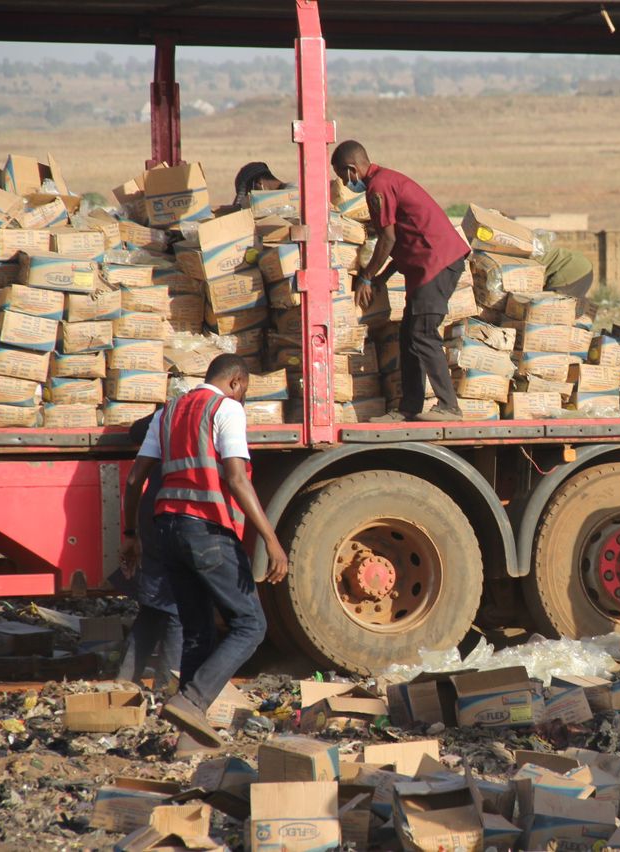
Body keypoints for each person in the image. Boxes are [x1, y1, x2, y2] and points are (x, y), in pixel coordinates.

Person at [121, 354, 290, 757]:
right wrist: (271, 539)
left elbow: (133, 479)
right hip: (207, 530)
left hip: (167, 531)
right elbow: (235, 478)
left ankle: (189, 741)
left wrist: (130, 534)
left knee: (197, 631)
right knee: (250, 625)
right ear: (235, 381)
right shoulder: (225, 409)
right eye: (244, 391)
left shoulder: (170, 411)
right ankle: (192, 702)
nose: (243, 398)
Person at [331, 140, 470, 422]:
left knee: (423, 332)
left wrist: (367, 278)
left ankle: (450, 407)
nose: (346, 184)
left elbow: (388, 238)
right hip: (427, 265)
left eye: (343, 177)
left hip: (436, 263)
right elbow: (401, 242)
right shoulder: (386, 181)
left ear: (351, 169)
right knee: (409, 335)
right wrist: (382, 277)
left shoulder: (379, 188)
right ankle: (409, 407)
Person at [114, 411, 182, 694]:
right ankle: (169, 687)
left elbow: (134, 432)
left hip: (152, 511)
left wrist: (130, 532)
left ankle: (125, 679)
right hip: (180, 515)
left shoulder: (167, 414)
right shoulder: (216, 414)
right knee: (178, 606)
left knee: (155, 605)